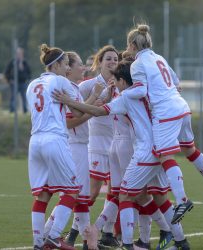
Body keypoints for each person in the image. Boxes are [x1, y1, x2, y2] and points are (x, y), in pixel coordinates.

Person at [53, 59, 189, 250]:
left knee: (127, 196)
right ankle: (177, 240)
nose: (114, 83)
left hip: (140, 150)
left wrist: (69, 102)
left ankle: (127, 241)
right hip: (149, 149)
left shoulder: (126, 97)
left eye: (116, 80)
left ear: (123, 81)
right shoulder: (147, 92)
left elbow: (99, 111)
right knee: (147, 196)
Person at [123, 24, 203, 224]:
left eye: (128, 44)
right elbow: (177, 83)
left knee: (163, 155)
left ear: (133, 45)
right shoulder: (159, 57)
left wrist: (122, 95)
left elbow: (141, 91)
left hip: (165, 112)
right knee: (189, 149)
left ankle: (182, 200)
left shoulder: (137, 64)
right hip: (181, 106)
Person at [42, 51, 104, 249]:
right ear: (68, 69)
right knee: (74, 194)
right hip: (73, 146)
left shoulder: (74, 88)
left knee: (81, 197)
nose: (82, 68)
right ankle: (50, 235)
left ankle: (86, 241)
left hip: (78, 147)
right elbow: (70, 122)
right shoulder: (67, 88)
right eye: (77, 64)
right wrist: (93, 108)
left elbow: (79, 111)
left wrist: (93, 102)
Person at [26, 44, 83, 250]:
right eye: (66, 64)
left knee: (43, 194)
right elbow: (77, 113)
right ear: (56, 64)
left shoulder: (32, 85)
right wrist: (96, 98)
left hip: (35, 142)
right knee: (72, 191)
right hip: (54, 139)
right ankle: (54, 235)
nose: (68, 68)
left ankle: (38, 242)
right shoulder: (60, 81)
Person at [78, 45, 121, 248]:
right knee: (92, 192)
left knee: (115, 192)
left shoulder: (122, 85)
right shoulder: (89, 85)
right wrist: (97, 97)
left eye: (115, 59)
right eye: (108, 59)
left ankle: (106, 232)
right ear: (99, 62)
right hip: (96, 144)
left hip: (117, 145)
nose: (113, 62)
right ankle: (77, 232)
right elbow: (75, 106)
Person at [4, 47, 31, 113]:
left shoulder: (24, 63)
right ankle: (12, 110)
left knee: (24, 97)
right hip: (14, 83)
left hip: (23, 83)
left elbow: (29, 73)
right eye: (18, 53)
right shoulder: (12, 62)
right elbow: (6, 72)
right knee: (13, 97)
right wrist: (9, 80)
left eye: (20, 53)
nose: (19, 55)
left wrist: (27, 79)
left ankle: (25, 110)